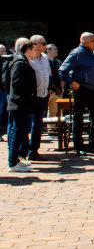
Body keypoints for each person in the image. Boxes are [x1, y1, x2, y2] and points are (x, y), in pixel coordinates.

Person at [60, 32, 94, 155]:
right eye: (93, 40)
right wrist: (72, 82)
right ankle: (78, 146)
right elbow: (62, 70)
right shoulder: (77, 53)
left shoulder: (91, 53)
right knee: (78, 117)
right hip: (82, 89)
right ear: (84, 41)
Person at [7, 39, 39, 172]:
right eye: (34, 50)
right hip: (20, 104)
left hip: (23, 103)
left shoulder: (24, 62)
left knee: (21, 132)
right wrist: (28, 95)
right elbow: (17, 83)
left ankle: (16, 160)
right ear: (28, 50)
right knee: (17, 132)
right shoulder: (20, 63)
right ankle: (13, 162)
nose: (36, 53)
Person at [27, 35, 52, 161]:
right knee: (27, 125)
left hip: (43, 95)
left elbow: (48, 74)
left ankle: (33, 151)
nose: (45, 46)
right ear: (35, 44)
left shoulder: (45, 58)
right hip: (32, 97)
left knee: (38, 125)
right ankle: (22, 151)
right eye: (43, 43)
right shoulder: (28, 59)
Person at [45, 43, 63, 137]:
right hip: (45, 90)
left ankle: (52, 130)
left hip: (57, 90)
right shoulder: (43, 62)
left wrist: (62, 87)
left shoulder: (58, 63)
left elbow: (62, 76)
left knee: (54, 111)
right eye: (54, 49)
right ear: (48, 50)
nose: (57, 51)